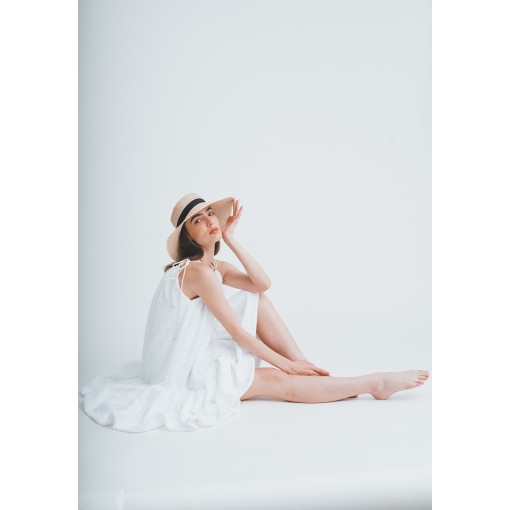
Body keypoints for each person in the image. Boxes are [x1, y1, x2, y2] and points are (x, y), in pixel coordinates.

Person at [80, 193, 429, 433]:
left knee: (258, 300)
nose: (209, 221)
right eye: (197, 221)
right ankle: (374, 383)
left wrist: (230, 238)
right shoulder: (196, 272)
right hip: (183, 374)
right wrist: (284, 364)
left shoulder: (213, 266)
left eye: (210, 214)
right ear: (187, 235)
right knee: (275, 380)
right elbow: (238, 334)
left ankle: (312, 374)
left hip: (196, 356)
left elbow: (262, 284)